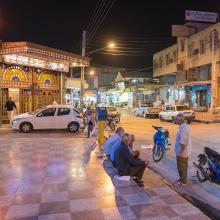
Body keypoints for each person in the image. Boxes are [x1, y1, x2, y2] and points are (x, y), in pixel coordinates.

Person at [174, 113, 191, 186]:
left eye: (176, 120)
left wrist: (180, 152)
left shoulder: (184, 129)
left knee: (182, 167)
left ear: (180, 120)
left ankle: (183, 182)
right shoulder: (182, 127)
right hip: (181, 151)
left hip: (182, 152)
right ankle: (182, 179)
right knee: (181, 167)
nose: (175, 121)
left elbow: (183, 143)